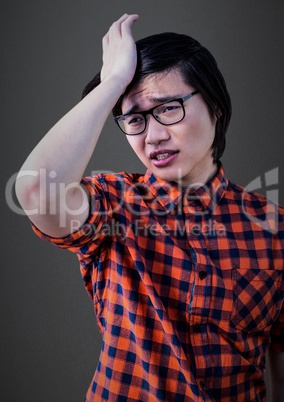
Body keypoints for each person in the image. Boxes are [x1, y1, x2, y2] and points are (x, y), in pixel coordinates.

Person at [15, 13, 284, 402]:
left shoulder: (273, 229)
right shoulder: (112, 206)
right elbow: (38, 190)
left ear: (215, 107)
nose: (153, 135)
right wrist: (112, 85)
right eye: (135, 119)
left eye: (169, 108)